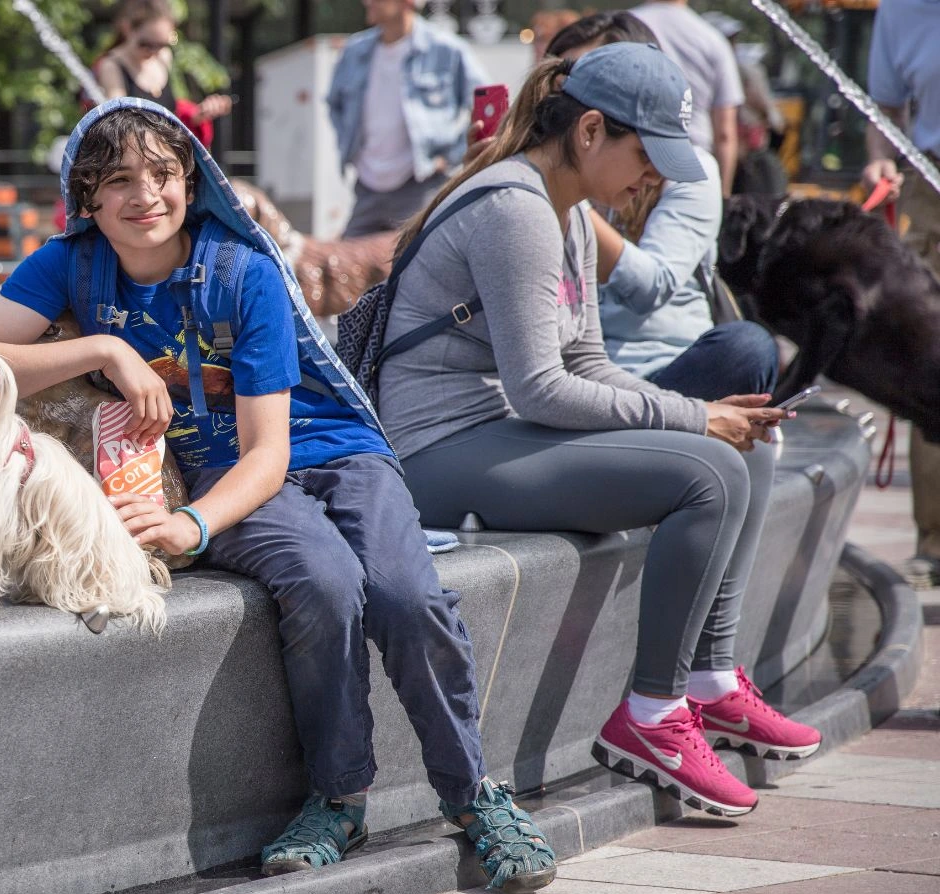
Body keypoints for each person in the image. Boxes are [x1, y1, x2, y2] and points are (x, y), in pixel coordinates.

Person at [0, 98, 559, 894]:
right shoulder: (68, 265)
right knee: (322, 582)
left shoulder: (242, 271)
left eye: (163, 174)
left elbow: (271, 451)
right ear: (86, 199)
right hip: (224, 471)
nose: (145, 195)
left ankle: (473, 794)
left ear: (191, 182)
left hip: (323, 455)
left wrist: (189, 525)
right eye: (118, 182)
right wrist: (104, 345)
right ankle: (339, 798)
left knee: (404, 592)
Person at [378, 43, 824, 819]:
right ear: (590, 131)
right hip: (436, 452)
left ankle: (710, 681)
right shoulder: (516, 210)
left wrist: (711, 420)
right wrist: (691, 416)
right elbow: (543, 388)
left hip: (496, 430)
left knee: (735, 450)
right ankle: (652, 715)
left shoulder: (571, 214)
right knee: (706, 472)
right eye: (648, 155)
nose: (653, 178)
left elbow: (586, 361)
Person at [549, 13, 778, 400]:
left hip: (664, 369)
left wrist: (567, 203)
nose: (566, 104)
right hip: (568, 373)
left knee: (748, 348)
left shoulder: (687, 172)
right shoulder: (533, 179)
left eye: (593, 77)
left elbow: (649, 288)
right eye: (563, 87)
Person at [863, 0, 940, 589]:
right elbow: (884, 109)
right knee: (929, 360)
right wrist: (880, 160)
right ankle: (934, 540)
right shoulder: (901, 10)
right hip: (928, 182)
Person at [328, 0, 485, 238]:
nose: (367, 2)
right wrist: (352, 151)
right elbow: (334, 104)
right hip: (367, 187)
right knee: (349, 266)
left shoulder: (446, 49)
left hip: (422, 184)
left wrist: (453, 155)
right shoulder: (354, 51)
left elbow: (485, 101)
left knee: (418, 266)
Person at [630, 0, 744, 193]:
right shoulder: (712, 39)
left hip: (632, 160)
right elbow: (725, 133)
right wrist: (722, 196)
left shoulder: (625, 26)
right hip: (691, 166)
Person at [91, 0, 232, 149]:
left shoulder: (164, 57)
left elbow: (173, 112)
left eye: (162, 44)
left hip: (166, 154)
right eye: (146, 44)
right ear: (127, 29)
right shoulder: (111, 66)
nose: (154, 51)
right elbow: (118, 123)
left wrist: (197, 115)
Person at [700, 11, 789, 197]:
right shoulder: (742, 72)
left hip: (745, 162)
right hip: (726, 159)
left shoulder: (744, 71)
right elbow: (775, 121)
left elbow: (774, 121)